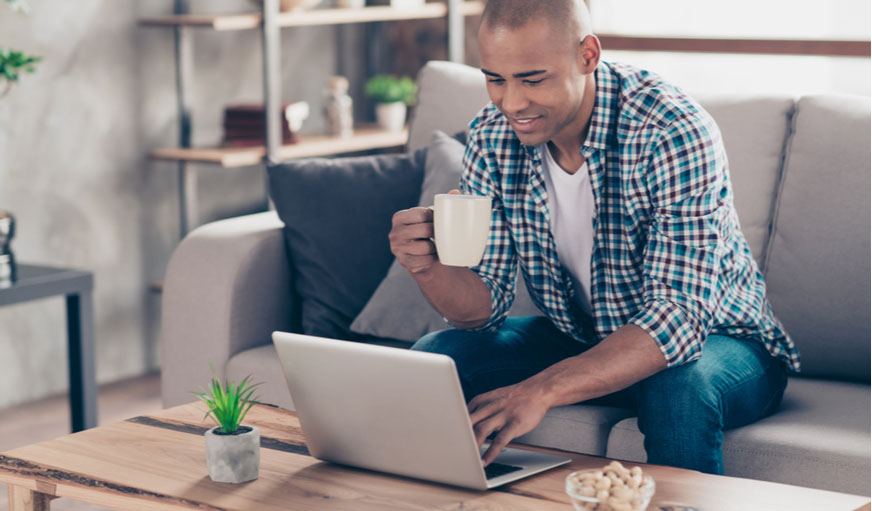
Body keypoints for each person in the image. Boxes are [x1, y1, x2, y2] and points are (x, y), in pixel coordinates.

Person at [388, 0, 799, 475]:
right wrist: (428, 268)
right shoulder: (491, 137)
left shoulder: (671, 131)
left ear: (587, 55)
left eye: (533, 78)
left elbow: (679, 320)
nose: (512, 103)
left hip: (724, 342)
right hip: (584, 337)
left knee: (677, 389)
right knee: (436, 360)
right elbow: (483, 310)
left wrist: (539, 390)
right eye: (495, 79)